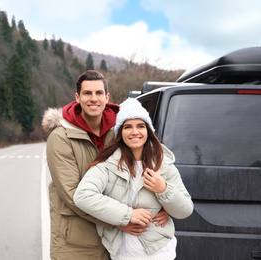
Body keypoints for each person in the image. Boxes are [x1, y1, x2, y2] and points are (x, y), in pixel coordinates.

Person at [42, 71, 169, 260]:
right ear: (77, 98)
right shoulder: (61, 138)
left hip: (117, 242)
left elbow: (148, 165)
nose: (94, 99)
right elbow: (73, 195)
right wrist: (121, 220)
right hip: (77, 243)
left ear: (107, 97)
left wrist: (164, 203)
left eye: (99, 93)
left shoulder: (121, 131)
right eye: (87, 93)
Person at [73, 97, 194, 260]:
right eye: (128, 127)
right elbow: (83, 196)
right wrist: (127, 215)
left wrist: (164, 190)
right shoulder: (108, 165)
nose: (135, 132)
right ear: (120, 133)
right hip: (122, 253)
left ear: (148, 131)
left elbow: (185, 210)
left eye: (140, 126)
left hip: (159, 252)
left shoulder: (164, 165)